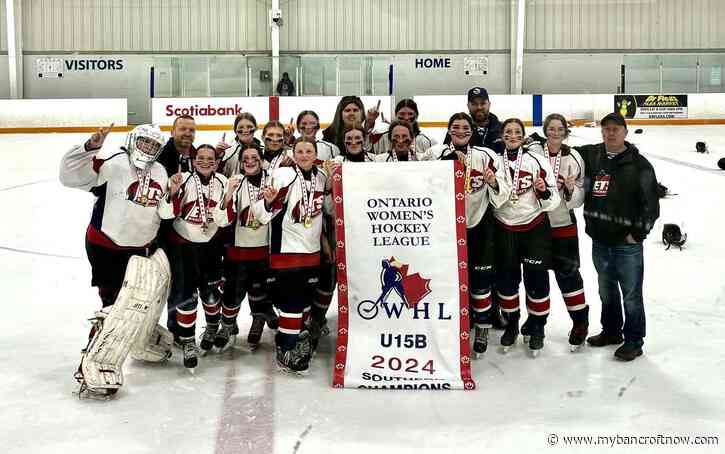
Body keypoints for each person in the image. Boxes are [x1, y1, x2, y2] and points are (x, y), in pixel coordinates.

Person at [575, 113, 660, 361]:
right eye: (606, 129)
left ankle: (634, 340)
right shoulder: (593, 155)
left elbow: (651, 206)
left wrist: (638, 234)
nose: (610, 133)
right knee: (606, 290)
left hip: (627, 245)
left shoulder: (639, 165)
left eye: (615, 129)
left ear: (625, 132)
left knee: (631, 294)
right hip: (600, 240)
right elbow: (562, 150)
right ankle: (611, 331)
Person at [60, 123, 168, 309]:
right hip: (105, 245)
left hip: (141, 248)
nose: (148, 148)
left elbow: (161, 210)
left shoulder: (160, 171)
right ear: (133, 141)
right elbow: (69, 176)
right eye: (144, 142)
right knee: (111, 299)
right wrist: (90, 147)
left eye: (154, 145)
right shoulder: (113, 161)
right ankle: (104, 333)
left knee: (135, 300)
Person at [428, 113, 509, 356]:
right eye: (455, 127)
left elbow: (503, 194)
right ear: (449, 130)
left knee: (481, 280)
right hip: (446, 229)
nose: (461, 131)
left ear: (472, 131)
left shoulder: (486, 156)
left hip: (480, 227)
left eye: (465, 127)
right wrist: (445, 164)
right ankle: (453, 326)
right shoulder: (434, 154)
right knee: (449, 281)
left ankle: (482, 326)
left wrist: (493, 183)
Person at [252, 137, 332, 374]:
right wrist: (268, 201)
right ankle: (285, 349)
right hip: (286, 253)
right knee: (292, 305)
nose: (305, 155)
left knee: (305, 304)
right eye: (300, 151)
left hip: (312, 253)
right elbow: (261, 213)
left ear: (316, 153)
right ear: (293, 153)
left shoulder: (321, 176)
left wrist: (331, 187)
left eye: (309, 151)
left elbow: (327, 210)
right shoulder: (285, 174)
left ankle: (296, 342)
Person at [493, 118, 560, 356]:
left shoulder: (537, 160)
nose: (512, 135)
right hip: (504, 229)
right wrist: (494, 183)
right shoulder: (494, 161)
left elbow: (554, 201)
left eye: (517, 132)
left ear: (523, 136)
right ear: (502, 135)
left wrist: (542, 189)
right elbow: (494, 199)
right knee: (507, 282)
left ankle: (537, 326)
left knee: (537, 280)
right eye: (508, 132)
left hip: (534, 229)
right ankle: (511, 324)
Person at [159, 144, 228, 368]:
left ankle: (211, 327)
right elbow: (166, 213)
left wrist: (226, 203)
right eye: (200, 157)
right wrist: (172, 191)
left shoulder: (224, 182)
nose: (205, 161)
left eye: (210, 158)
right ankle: (188, 341)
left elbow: (226, 220)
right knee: (186, 297)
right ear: (193, 160)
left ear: (217, 162)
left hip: (211, 249)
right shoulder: (182, 179)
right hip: (184, 248)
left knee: (211, 296)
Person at [527, 113, 589, 351]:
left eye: (559, 129)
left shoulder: (574, 157)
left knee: (568, 276)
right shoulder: (533, 153)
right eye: (550, 128)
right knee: (535, 277)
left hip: (562, 224)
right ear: (545, 130)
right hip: (535, 226)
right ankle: (536, 322)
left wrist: (572, 190)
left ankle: (580, 321)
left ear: (565, 132)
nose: (555, 132)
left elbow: (580, 196)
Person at [215, 143, 277, 349]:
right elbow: (224, 219)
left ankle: (257, 323)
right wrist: (229, 194)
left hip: (263, 250)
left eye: (254, 157)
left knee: (260, 292)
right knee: (232, 294)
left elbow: (275, 212)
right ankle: (227, 325)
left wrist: (268, 203)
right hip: (238, 251)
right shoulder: (235, 181)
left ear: (262, 160)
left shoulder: (272, 180)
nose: (250, 161)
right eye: (246, 158)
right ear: (241, 162)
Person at [445, 87, 504, 155]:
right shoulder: (456, 130)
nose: (479, 107)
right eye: (474, 104)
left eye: (483, 103)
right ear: (468, 106)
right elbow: (445, 152)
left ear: (489, 104)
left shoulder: (502, 129)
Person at [371, 99, 436, 155]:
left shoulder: (427, 140)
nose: (406, 118)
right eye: (402, 114)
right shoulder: (381, 137)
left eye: (410, 114)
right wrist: (369, 122)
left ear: (416, 116)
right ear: (396, 115)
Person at [218, 112, 263, 177]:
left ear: (256, 128)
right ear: (235, 130)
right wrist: (217, 156)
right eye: (241, 127)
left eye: (249, 127)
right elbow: (217, 176)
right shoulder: (228, 152)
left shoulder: (263, 151)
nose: (245, 130)